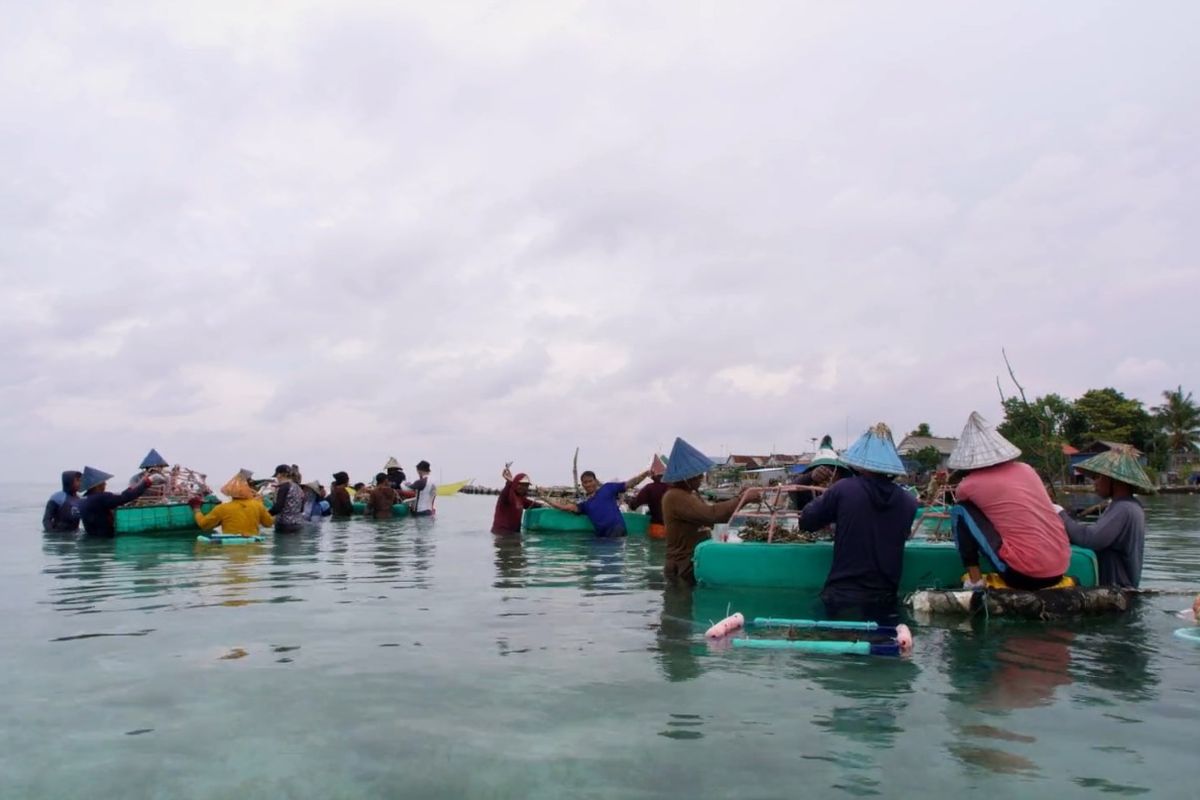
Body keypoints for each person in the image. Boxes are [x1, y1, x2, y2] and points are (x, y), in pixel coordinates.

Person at [797, 423, 918, 612]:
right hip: (886, 596)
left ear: (860, 462)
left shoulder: (844, 489)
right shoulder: (910, 502)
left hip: (842, 594)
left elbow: (806, 521)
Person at [947, 412, 1070, 590]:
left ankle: (974, 580)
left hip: (1022, 575)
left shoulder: (968, 486)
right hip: (1059, 569)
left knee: (960, 510)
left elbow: (971, 514)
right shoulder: (1027, 469)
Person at [660, 437, 760, 584]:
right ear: (687, 477)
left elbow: (711, 514)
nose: (702, 477)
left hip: (689, 563)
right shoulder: (676, 496)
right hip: (682, 567)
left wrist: (739, 497)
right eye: (698, 474)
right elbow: (711, 515)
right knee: (682, 605)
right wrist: (742, 499)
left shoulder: (688, 494)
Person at [1058, 445, 1152, 588]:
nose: (1094, 483)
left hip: (1117, 592)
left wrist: (1060, 514)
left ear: (1113, 479)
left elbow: (1090, 539)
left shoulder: (1123, 509)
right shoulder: (1130, 506)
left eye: (1098, 477)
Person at [543, 466, 652, 537]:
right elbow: (566, 507)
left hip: (617, 530)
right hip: (602, 537)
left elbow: (629, 484)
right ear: (582, 485)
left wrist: (645, 474)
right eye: (585, 482)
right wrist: (547, 500)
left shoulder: (608, 488)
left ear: (596, 481)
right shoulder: (585, 505)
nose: (588, 484)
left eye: (590, 481)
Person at [79, 466, 158, 536]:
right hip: (105, 539)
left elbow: (121, 496)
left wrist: (138, 485)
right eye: (103, 483)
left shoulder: (83, 500)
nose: (105, 484)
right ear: (96, 485)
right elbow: (125, 497)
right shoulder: (101, 497)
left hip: (92, 537)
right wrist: (148, 481)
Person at [190, 473, 274, 537]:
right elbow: (269, 523)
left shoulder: (222, 508)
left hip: (230, 545)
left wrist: (196, 508)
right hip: (253, 545)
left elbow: (203, 525)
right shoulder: (258, 505)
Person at [790, 435, 850, 513]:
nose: (824, 473)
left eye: (831, 469)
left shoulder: (844, 491)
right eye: (820, 469)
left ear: (839, 472)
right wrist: (810, 476)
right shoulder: (807, 492)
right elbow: (791, 489)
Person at [491, 466, 544, 534]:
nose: (523, 487)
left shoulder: (521, 499)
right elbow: (505, 493)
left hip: (514, 534)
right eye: (521, 484)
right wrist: (509, 482)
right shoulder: (507, 495)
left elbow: (533, 504)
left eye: (526, 485)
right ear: (515, 483)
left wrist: (545, 505)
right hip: (501, 534)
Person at [628, 455, 670, 539]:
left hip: (658, 528)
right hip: (675, 529)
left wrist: (630, 501)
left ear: (653, 475)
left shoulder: (649, 488)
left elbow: (634, 505)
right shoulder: (674, 487)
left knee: (656, 550)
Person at [271, 464, 306, 533]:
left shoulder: (283, 487)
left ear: (279, 475)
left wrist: (263, 515)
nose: (277, 478)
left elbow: (278, 507)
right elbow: (302, 509)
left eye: (277, 476)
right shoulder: (298, 488)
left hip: (284, 526)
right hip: (298, 525)